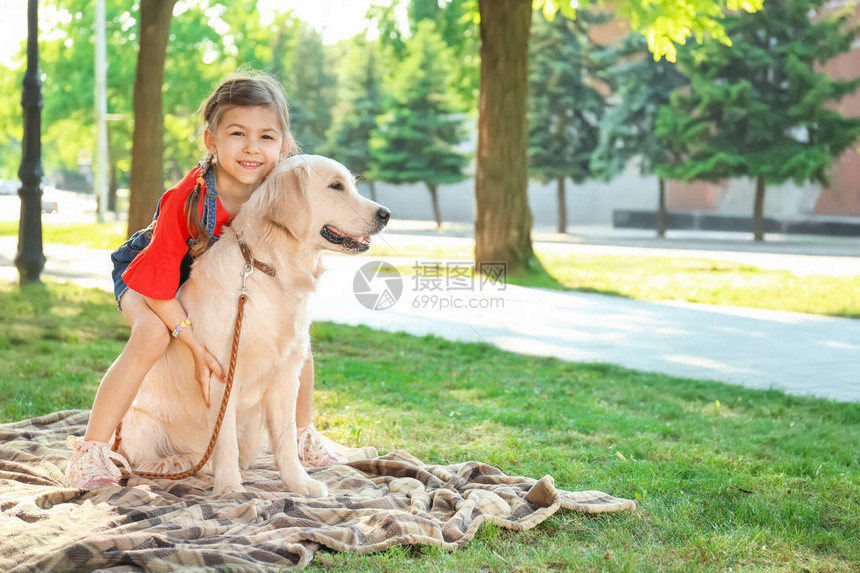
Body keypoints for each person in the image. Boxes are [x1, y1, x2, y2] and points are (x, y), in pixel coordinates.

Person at [65, 73, 372, 489]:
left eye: (266, 137)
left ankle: (302, 436)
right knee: (153, 335)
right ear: (211, 141)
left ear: (283, 145)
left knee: (297, 345)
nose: (252, 147)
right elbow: (158, 282)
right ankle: (93, 449)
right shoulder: (188, 197)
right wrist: (192, 342)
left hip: (207, 277)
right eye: (237, 134)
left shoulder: (277, 183)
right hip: (149, 271)